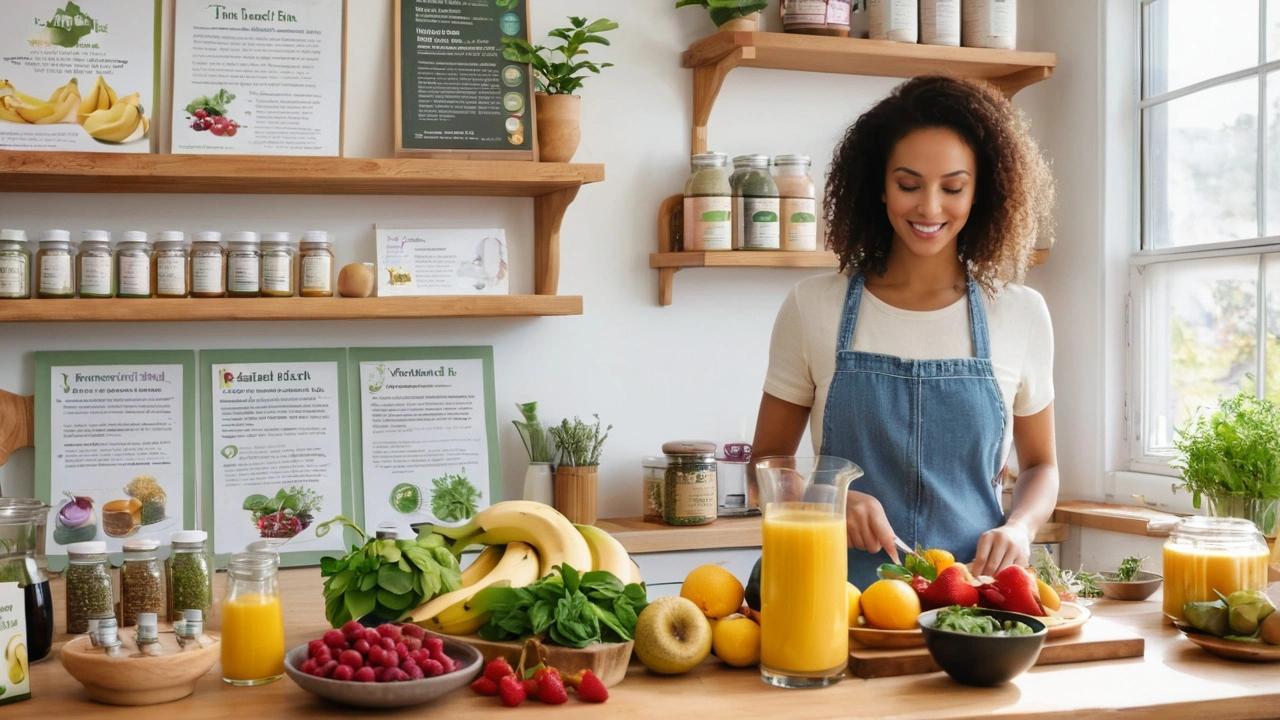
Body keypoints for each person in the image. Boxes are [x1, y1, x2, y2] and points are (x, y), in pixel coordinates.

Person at [751, 75, 1058, 590]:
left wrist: (1021, 527)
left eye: (953, 187)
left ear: (982, 190)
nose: (930, 208)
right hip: (832, 599)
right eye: (909, 185)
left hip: (967, 602)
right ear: (880, 184)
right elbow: (764, 468)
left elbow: (1041, 465)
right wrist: (828, 498)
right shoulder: (812, 306)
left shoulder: (1021, 313)